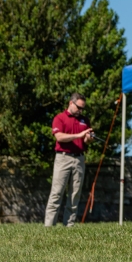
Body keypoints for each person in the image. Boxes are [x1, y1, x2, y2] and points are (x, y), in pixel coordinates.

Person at [44, 93, 93, 227]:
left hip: (79, 159)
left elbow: (86, 140)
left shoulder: (85, 120)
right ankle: (49, 227)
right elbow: (59, 137)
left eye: (83, 108)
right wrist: (79, 135)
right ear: (71, 103)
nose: (80, 111)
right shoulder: (59, 118)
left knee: (75, 194)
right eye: (79, 107)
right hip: (63, 158)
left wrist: (88, 139)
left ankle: (69, 226)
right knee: (57, 193)